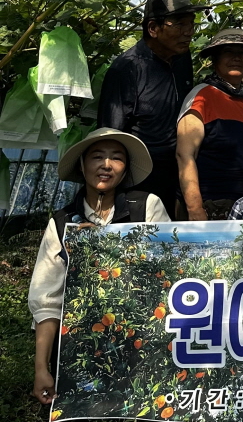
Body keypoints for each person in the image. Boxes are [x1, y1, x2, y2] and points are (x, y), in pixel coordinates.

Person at [29, 128, 169, 406]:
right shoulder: (62, 222)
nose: (106, 165)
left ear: (125, 168)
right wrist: (41, 369)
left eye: (116, 158)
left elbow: (165, 270)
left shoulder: (146, 207)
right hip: (87, 337)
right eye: (97, 157)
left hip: (142, 330)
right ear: (82, 165)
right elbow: (47, 298)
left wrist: (106, 246)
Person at [98, 0, 206, 215]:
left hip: (177, 172)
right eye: (179, 24)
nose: (188, 32)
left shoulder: (182, 58)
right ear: (153, 29)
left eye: (191, 24)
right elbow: (110, 134)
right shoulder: (127, 69)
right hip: (139, 178)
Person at [176, 29, 243, 220]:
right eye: (229, 52)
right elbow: (185, 155)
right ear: (214, 58)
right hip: (210, 206)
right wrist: (195, 209)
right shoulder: (201, 96)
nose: (237, 58)